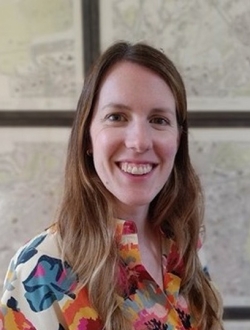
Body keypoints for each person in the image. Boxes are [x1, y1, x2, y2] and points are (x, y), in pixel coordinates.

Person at [0, 41, 224, 330]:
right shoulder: (39, 269)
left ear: (178, 140)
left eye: (159, 120)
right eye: (116, 117)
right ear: (88, 137)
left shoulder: (186, 245)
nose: (140, 141)